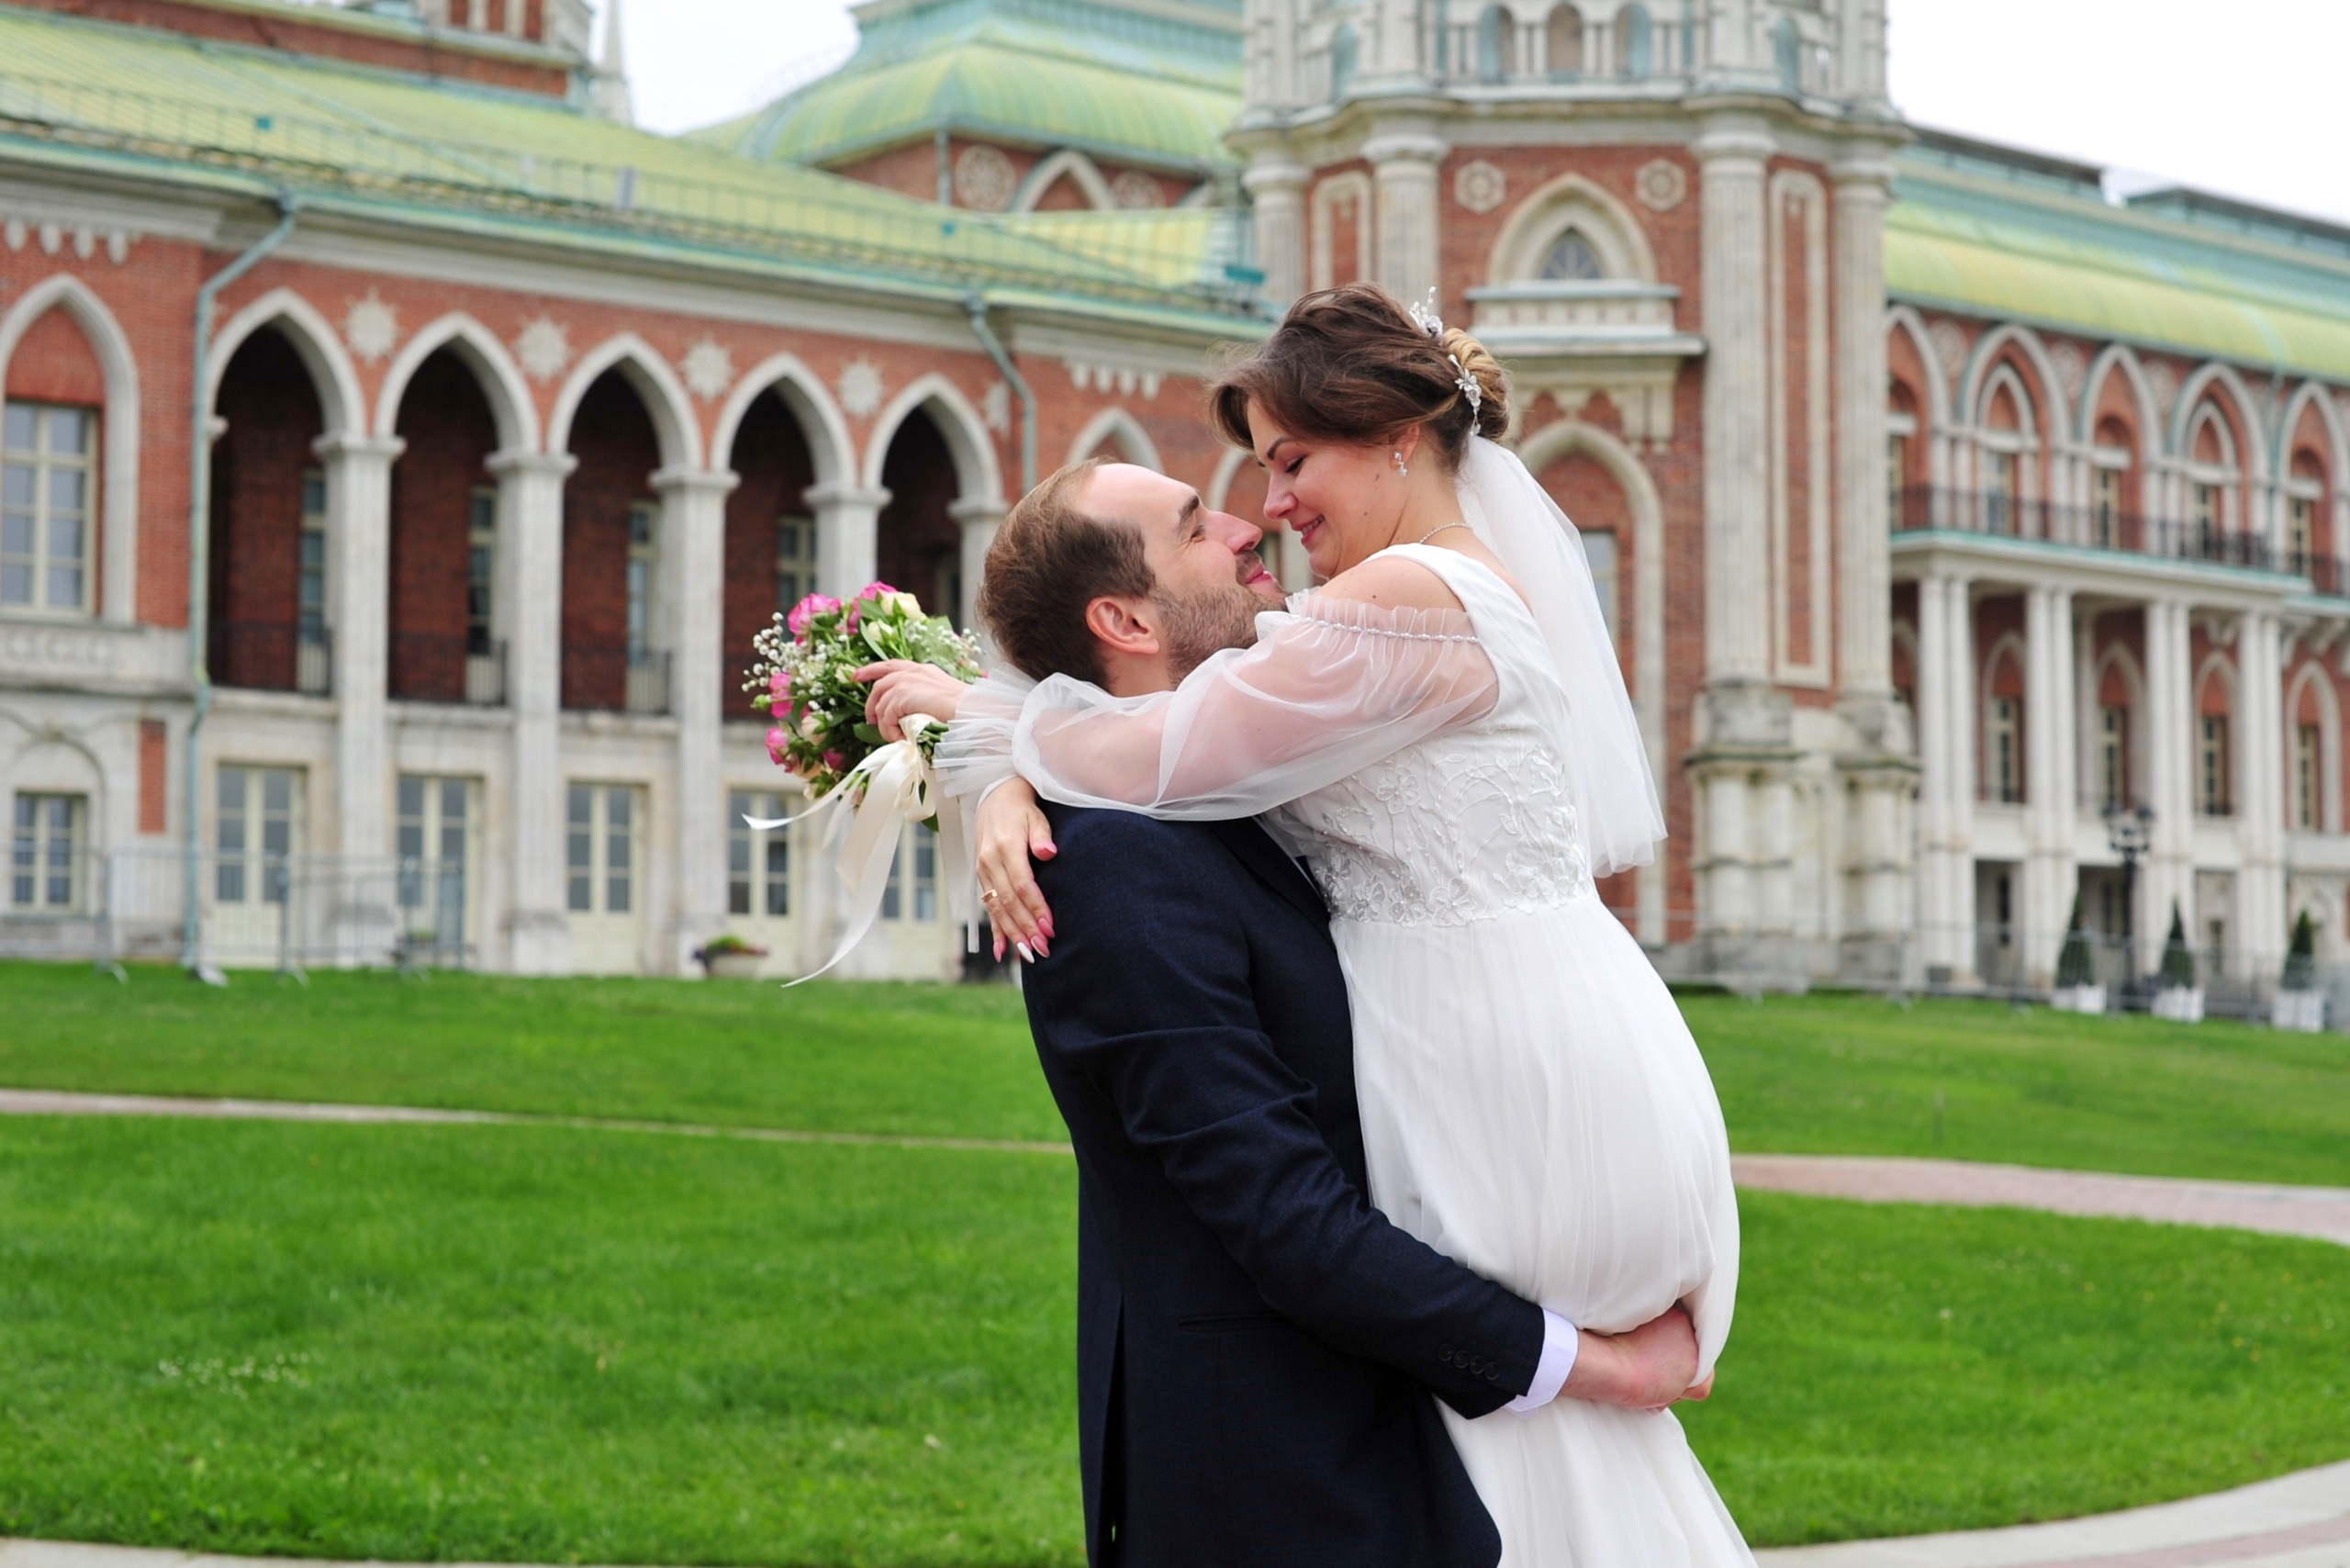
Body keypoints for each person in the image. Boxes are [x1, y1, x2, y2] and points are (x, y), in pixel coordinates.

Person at [864, 283, 1750, 1565]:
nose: (1263, 508)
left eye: (1288, 462)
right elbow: (1172, 734)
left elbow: (1166, 741)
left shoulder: (1400, 597)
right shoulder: (1367, 623)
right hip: (1516, 1031)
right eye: (1227, 496)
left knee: (1536, 1437)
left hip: (1496, 1043)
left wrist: (987, 739)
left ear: (1396, 437)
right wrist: (999, 769)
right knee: (1553, 1475)